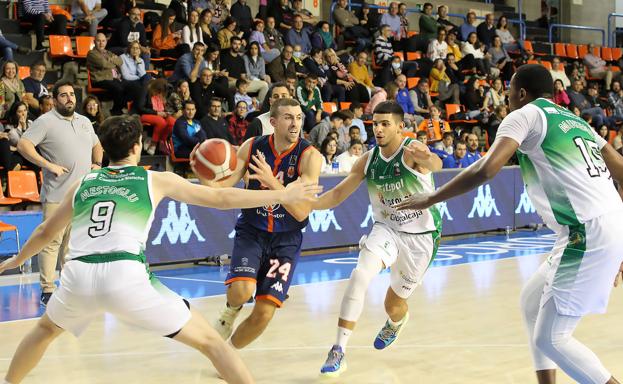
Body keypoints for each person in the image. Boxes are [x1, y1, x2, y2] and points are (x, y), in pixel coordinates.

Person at [0, 114, 322, 384]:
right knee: (212, 343)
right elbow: (222, 199)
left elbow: (45, 231)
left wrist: (18, 258)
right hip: (126, 275)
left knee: (43, 330)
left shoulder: (84, 181)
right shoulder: (153, 179)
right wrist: (283, 195)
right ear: (138, 147)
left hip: (77, 276)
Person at [394, 64, 623, 384]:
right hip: (604, 224)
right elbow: (621, 171)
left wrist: (431, 198)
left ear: (522, 93)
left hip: (586, 230)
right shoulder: (576, 122)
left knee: (552, 338)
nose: (507, 98)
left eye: (509, 91)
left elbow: (487, 169)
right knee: (531, 302)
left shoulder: (524, 114)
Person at [317, 100, 442, 377]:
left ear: (400, 127)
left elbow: (436, 163)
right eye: (376, 124)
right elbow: (336, 195)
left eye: (386, 124)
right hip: (385, 228)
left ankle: (396, 321)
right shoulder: (368, 160)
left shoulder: (411, 153)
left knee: (393, 306)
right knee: (360, 275)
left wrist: (427, 154)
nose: (379, 129)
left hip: (421, 237)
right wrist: (307, 205)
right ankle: (338, 349)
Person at [194, 98, 322, 350]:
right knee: (241, 291)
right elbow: (223, 187)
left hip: (286, 240)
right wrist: (203, 175)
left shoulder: (310, 156)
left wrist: (272, 181)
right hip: (253, 230)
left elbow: (301, 213)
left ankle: (226, 355)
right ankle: (230, 312)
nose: (295, 123)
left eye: (298, 117)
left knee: (264, 313)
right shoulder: (251, 146)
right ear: (273, 122)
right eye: (288, 117)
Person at [16, 81, 104, 306]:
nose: (69, 99)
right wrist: (47, 164)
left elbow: (97, 145)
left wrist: (97, 163)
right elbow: (24, 145)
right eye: (63, 95)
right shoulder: (45, 121)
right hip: (57, 195)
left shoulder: (84, 121)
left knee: (73, 244)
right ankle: (47, 289)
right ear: (55, 100)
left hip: (82, 195)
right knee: (51, 242)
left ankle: (69, 287)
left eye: (72, 95)